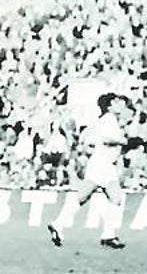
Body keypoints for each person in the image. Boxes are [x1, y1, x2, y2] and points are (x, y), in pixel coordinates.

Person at [47, 93, 131, 250]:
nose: (121, 105)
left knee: (111, 197)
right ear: (110, 106)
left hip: (103, 162)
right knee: (95, 196)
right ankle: (106, 234)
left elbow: (86, 138)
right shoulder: (110, 119)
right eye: (117, 102)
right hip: (102, 163)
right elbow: (106, 139)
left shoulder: (103, 120)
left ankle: (106, 234)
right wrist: (123, 141)